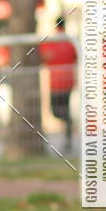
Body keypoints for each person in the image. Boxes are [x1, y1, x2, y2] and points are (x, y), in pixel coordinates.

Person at [39, 17, 77, 152]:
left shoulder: (52, 41)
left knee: (57, 110)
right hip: (68, 81)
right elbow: (75, 57)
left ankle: (69, 127)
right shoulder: (70, 41)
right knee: (62, 109)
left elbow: (44, 57)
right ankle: (69, 126)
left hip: (56, 82)